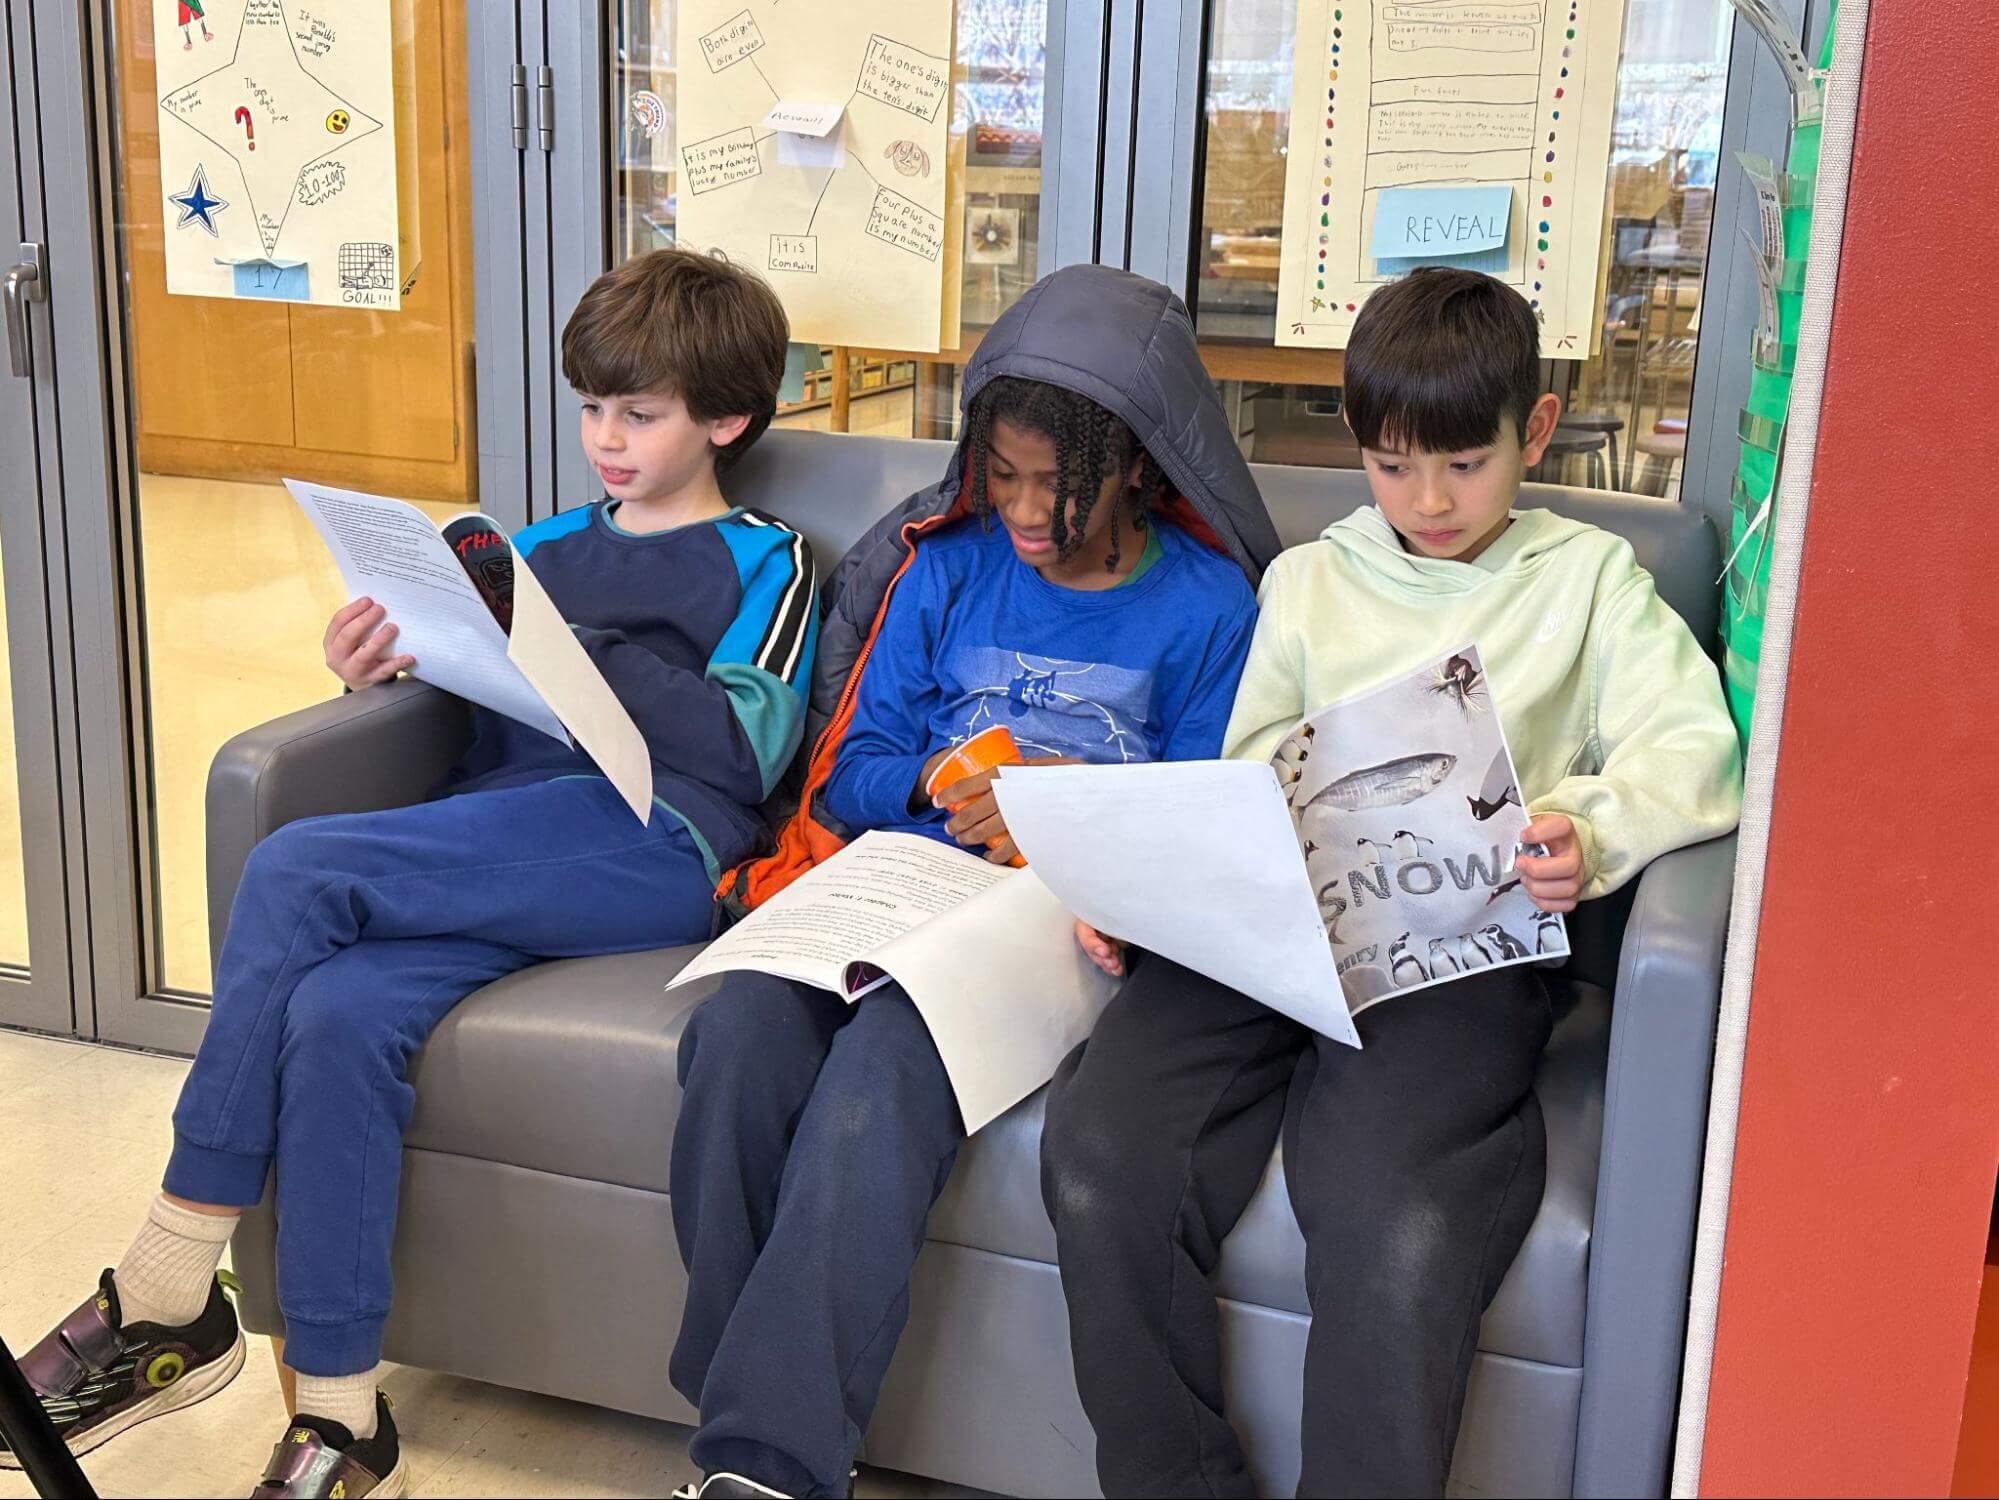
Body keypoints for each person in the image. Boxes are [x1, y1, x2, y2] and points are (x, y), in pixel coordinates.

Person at [0, 248, 815, 1499]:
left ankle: (170, 1274)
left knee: (298, 868)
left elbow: (748, 748)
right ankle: (339, 1417)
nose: (604, 437)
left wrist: (568, 643)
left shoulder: (768, 559)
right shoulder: (533, 541)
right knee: (336, 1013)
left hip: (657, 838)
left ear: (727, 418)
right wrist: (375, 662)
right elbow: (461, 689)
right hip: (498, 837)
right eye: (591, 406)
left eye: (638, 414)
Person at [1043, 266, 1744, 1498]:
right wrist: (1155, 887)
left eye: (1464, 465)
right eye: (1389, 464)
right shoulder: (1310, 581)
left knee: (1387, 1214)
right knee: (1103, 1149)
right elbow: (1247, 768)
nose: (1426, 500)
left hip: (1457, 950)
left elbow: (1694, 752)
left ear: (1532, 430)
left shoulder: (1589, 582)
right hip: (1276, 927)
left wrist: (1589, 826)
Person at [669, 264, 1277, 1500]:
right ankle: (749, 1389)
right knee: (736, 1033)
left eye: (1063, 486)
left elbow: (1206, 823)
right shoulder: (940, 566)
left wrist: (1057, 804)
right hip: (896, 882)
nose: (1029, 515)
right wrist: (949, 777)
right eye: (1003, 477)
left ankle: (762, 1465)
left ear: (1141, 466)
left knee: (890, 1054)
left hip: (1064, 923)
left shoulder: (1211, 607)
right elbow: (850, 774)